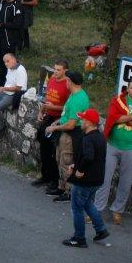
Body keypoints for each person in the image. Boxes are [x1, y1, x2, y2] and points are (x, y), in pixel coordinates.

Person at [95, 80, 132, 224]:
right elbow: (113, 117)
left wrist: (122, 118)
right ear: (127, 88)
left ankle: (118, 210)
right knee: (104, 179)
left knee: (126, 181)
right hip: (113, 144)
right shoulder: (117, 100)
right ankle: (97, 209)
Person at [62, 109, 110, 247]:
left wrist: (79, 170)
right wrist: (75, 165)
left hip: (85, 181)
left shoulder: (88, 138)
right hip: (97, 180)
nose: (81, 121)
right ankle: (101, 230)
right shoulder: (100, 137)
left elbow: (88, 156)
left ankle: (79, 238)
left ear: (89, 122)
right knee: (87, 202)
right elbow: (92, 157)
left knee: (77, 208)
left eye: (83, 119)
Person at [45, 71, 88, 202]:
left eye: (67, 80)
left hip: (70, 135)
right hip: (65, 133)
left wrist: (54, 128)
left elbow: (71, 124)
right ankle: (62, 187)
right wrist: (58, 121)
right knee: (60, 160)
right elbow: (67, 115)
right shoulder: (73, 95)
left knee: (66, 162)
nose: (65, 83)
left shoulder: (78, 99)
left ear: (70, 81)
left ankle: (69, 191)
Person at [32, 61, 70, 190]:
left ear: (65, 71)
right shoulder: (52, 80)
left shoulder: (67, 84)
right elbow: (46, 99)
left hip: (58, 119)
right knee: (43, 145)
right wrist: (41, 111)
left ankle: (54, 179)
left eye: (59, 70)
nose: (55, 72)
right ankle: (45, 176)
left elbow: (68, 107)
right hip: (48, 115)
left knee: (54, 150)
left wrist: (53, 107)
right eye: (55, 69)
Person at [0, 53, 27, 134]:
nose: (6, 63)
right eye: (4, 62)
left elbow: (18, 88)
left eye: (7, 61)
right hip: (5, 92)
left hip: (13, 95)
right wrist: (3, 89)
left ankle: (1, 127)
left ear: (14, 60)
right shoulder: (10, 68)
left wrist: (4, 88)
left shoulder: (20, 70)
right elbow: (9, 82)